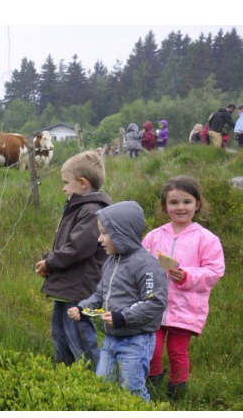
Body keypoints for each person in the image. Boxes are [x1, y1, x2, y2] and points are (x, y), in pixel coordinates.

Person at [68, 202, 168, 402]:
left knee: (132, 391)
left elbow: (155, 302)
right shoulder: (111, 262)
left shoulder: (147, 265)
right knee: (103, 387)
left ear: (122, 233)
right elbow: (100, 294)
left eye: (105, 233)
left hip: (136, 341)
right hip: (110, 340)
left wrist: (123, 317)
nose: (99, 239)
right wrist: (83, 307)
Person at [142, 177, 225, 400]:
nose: (180, 207)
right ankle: (153, 384)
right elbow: (140, 265)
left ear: (197, 204)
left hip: (186, 307)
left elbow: (214, 271)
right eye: (174, 202)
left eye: (187, 202)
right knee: (152, 349)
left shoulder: (206, 239)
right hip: (154, 305)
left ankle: (176, 392)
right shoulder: (154, 236)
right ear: (164, 206)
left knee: (177, 352)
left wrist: (187, 275)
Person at [35, 152, 112, 371]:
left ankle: (94, 380)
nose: (63, 188)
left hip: (78, 289)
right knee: (59, 334)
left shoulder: (91, 211)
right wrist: (50, 261)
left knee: (79, 337)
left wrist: (50, 262)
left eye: (66, 183)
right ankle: (66, 376)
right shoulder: (79, 208)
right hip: (67, 285)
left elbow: (78, 248)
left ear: (82, 183)